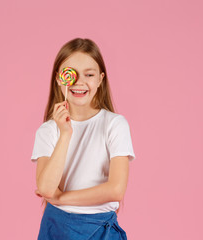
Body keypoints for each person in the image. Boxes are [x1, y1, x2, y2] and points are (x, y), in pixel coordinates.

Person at [31, 38, 136, 240]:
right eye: (71, 74)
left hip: (100, 229)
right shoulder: (48, 131)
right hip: (56, 226)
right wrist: (65, 133)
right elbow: (45, 188)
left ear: (100, 79)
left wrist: (60, 198)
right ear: (59, 78)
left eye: (89, 74)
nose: (79, 82)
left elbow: (116, 190)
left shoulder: (114, 124)